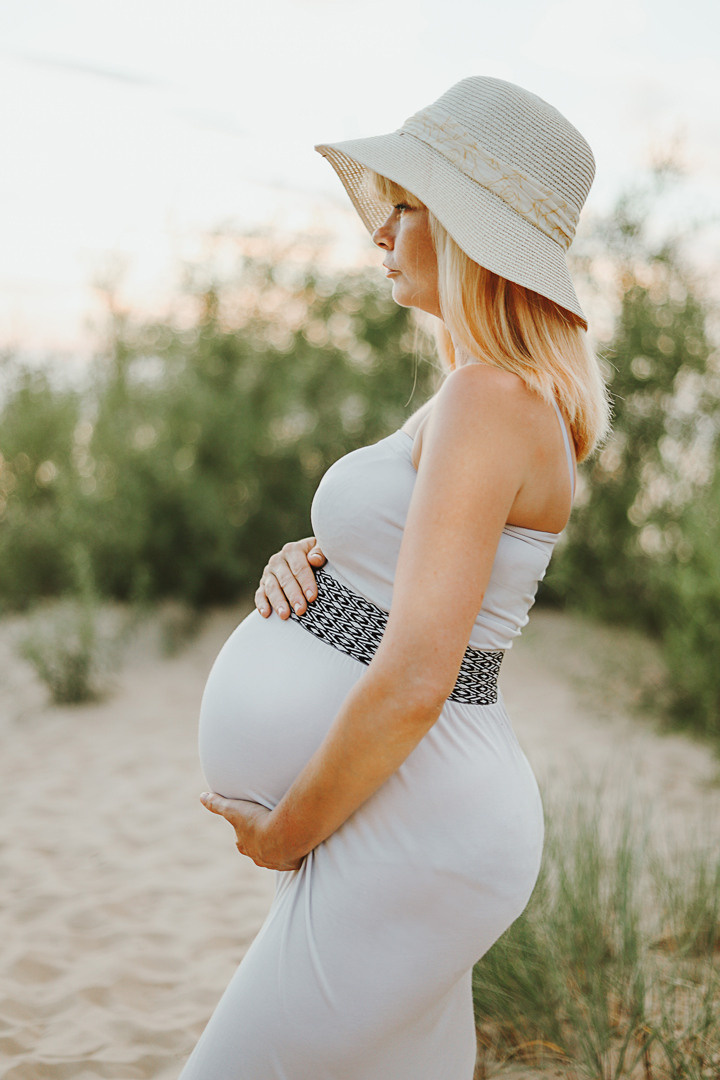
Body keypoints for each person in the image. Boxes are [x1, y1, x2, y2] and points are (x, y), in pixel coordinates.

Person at [179, 76, 610, 1079]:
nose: (381, 231)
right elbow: (410, 585)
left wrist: (285, 837)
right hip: (411, 815)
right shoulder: (481, 398)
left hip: (416, 823)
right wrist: (310, 567)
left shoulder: (489, 398)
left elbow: (422, 675)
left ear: (463, 228)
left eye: (405, 206)